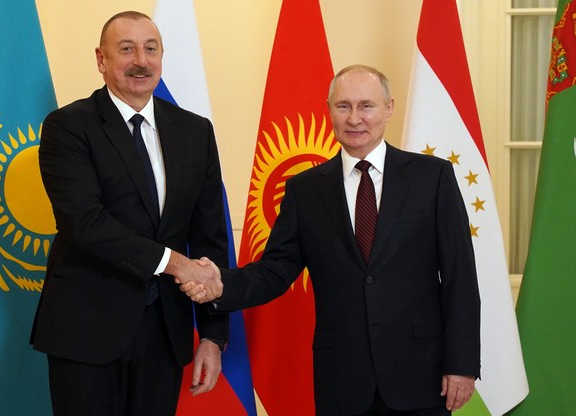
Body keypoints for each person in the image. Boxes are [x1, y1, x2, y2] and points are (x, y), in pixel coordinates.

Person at [182, 65, 481, 415]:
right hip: (343, 380)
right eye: (343, 106)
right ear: (329, 110)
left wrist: (462, 363)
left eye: (366, 105)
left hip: (420, 374)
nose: (354, 118)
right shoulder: (305, 190)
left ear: (388, 108)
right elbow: (276, 271)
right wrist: (221, 284)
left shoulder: (433, 177)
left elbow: (460, 278)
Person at [30, 11, 227, 416]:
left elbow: (209, 238)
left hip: (165, 334)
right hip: (86, 332)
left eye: (150, 49)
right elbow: (86, 223)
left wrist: (212, 335)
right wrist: (177, 264)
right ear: (101, 60)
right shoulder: (68, 127)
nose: (141, 60)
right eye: (126, 49)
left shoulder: (196, 132)